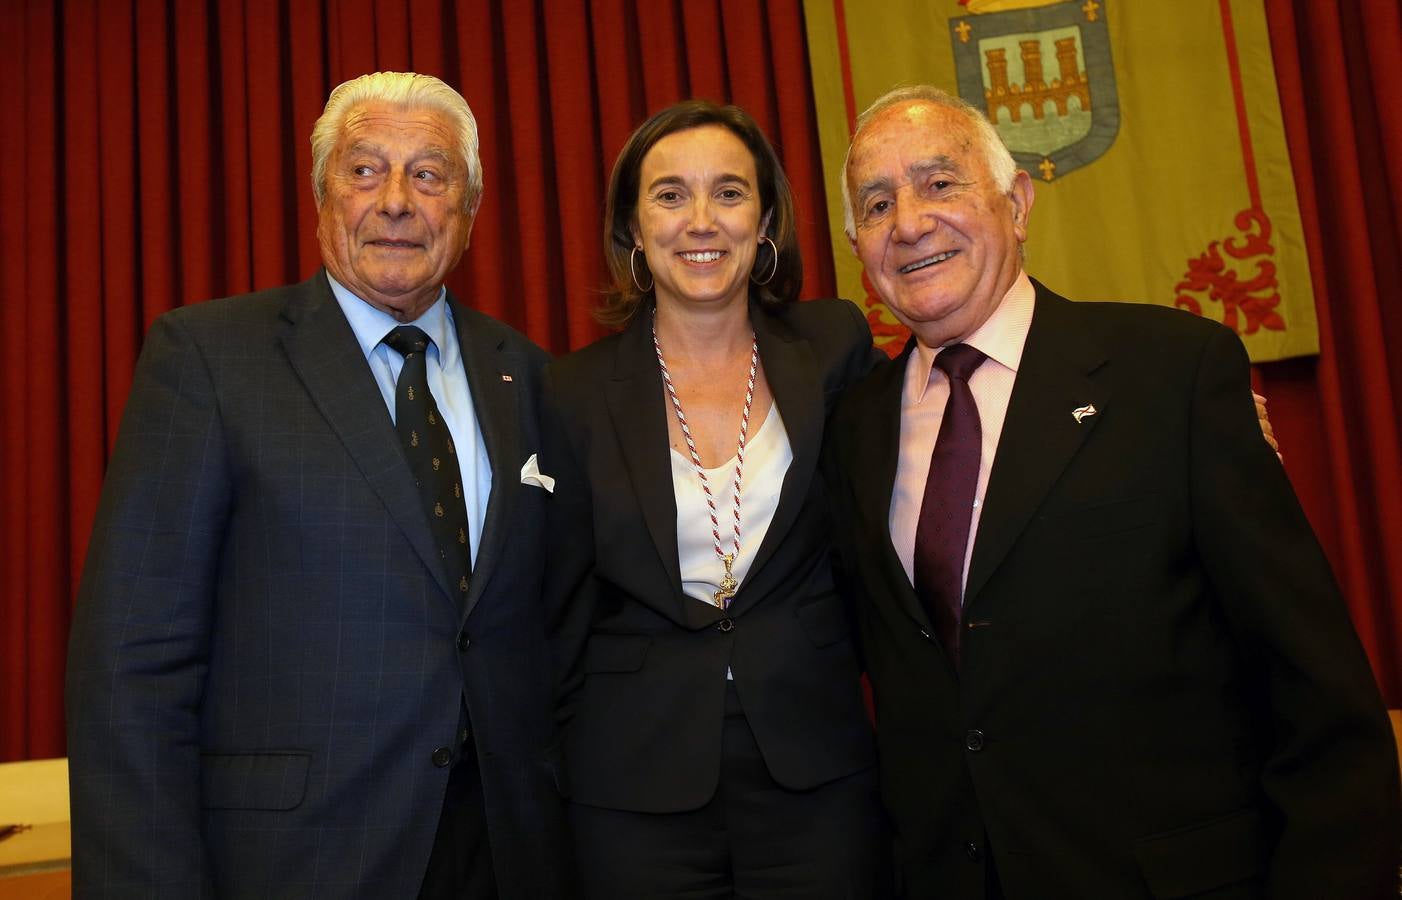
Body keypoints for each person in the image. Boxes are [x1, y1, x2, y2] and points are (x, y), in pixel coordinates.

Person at [823, 84, 1401, 899]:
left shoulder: (1172, 375)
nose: (909, 221)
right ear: (858, 245)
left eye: (940, 183)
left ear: (1017, 203)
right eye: (876, 204)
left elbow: (1314, 689)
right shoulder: (853, 431)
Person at [66, 72, 570, 899]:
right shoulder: (210, 359)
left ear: (470, 211)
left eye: (429, 175)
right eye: (365, 170)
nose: (397, 201)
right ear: (321, 197)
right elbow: (132, 662)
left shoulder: (533, 377)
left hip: (504, 853)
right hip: (295, 859)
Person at [540, 101, 888, 899]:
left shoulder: (834, 347)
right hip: (631, 779)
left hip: (817, 767)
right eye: (669, 195)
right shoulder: (569, 392)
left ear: (765, 219)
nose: (701, 221)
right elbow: (553, 601)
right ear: (632, 227)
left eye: (728, 193)